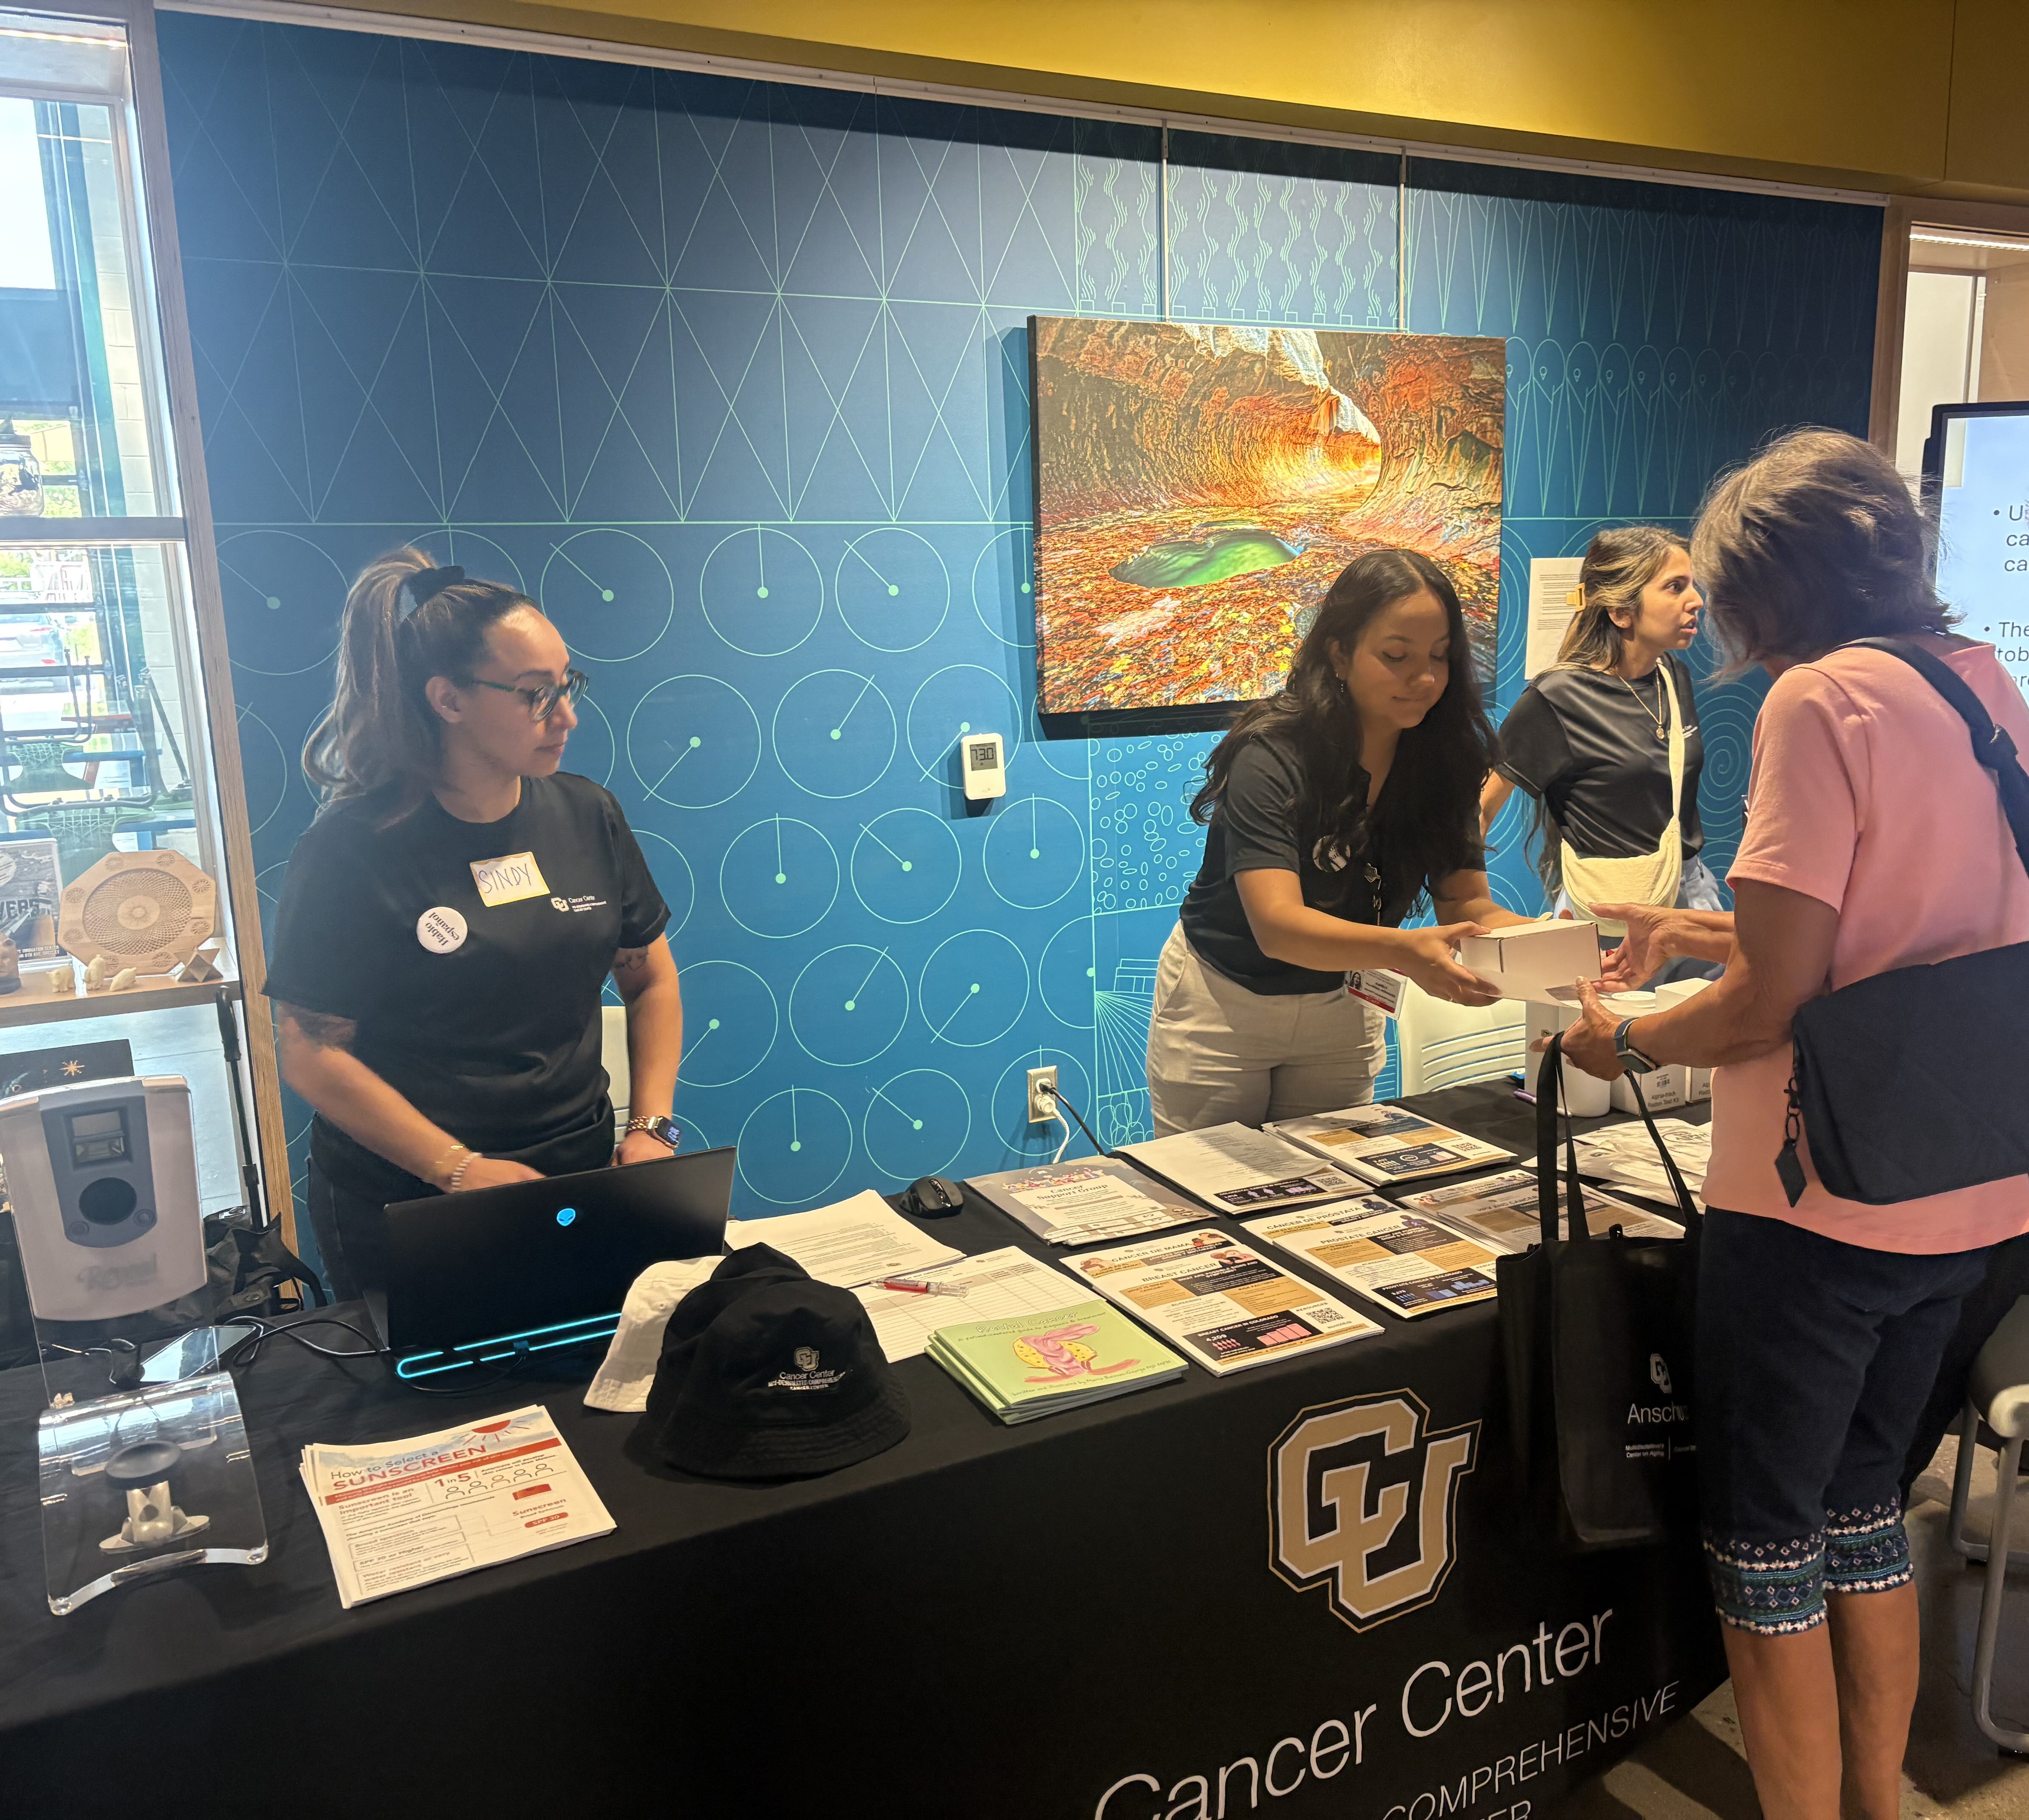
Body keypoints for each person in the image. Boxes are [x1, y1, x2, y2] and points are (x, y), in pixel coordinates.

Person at [1555, 429, 2029, 1820]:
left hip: (1815, 1203)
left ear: (1773, 586)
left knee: (1764, 1543)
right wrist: (1688, 923)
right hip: (1971, 1193)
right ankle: (1876, 1803)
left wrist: (1618, 1037)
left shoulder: (1817, 705)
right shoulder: (1984, 681)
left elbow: (1769, 1002)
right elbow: (1907, 933)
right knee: (1866, 1508)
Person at [264, 550, 683, 1302]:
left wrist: (652, 1123)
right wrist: (455, 1167)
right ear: (448, 700)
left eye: (568, 685)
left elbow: (648, 974)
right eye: (534, 694)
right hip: (413, 1196)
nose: (567, 716)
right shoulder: (351, 850)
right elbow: (311, 1052)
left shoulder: (588, 814)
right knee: (449, 1409)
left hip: (574, 1168)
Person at [1146, 547, 1532, 1135]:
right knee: (1209, 1194)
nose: (1424, 678)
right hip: (1225, 999)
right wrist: (1405, 952)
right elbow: (1279, 927)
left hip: (1345, 999)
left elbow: (1467, 905)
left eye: (1440, 656)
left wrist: (1561, 946)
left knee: (1332, 1187)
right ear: (1339, 654)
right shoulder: (1273, 752)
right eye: (1396, 656)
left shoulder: (1445, 760)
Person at [1480, 526, 1721, 953]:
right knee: (1603, 1021)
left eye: (1692, 585)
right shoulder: (1556, 698)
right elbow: (1480, 810)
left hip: (1690, 896)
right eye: (1674, 587)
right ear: (1621, 612)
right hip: (1604, 910)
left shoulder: (1673, 677)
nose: (1696, 600)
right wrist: (1472, 910)